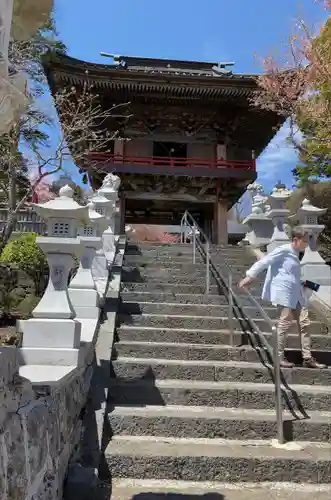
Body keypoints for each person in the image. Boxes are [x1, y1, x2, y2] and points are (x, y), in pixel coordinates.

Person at [238, 228, 326, 369]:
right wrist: (250, 276)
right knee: (284, 323)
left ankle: (307, 358)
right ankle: (278, 357)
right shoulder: (284, 250)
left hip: (297, 293)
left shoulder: (297, 254)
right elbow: (265, 261)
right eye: (304, 241)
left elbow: (291, 275)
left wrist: (306, 284)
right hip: (284, 293)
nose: (306, 244)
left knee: (305, 323)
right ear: (295, 239)